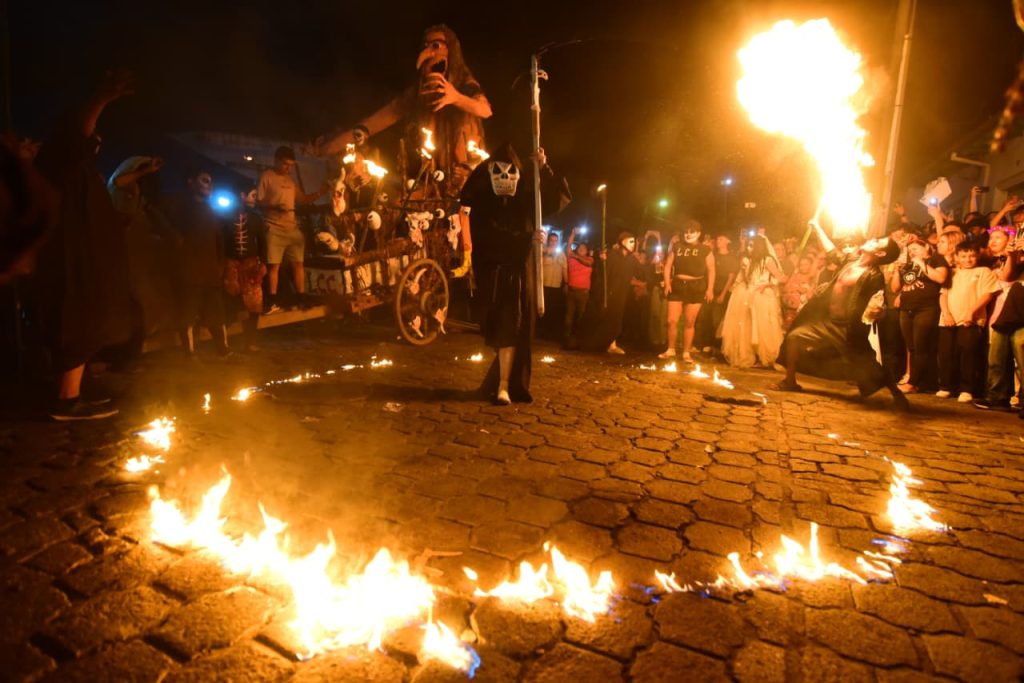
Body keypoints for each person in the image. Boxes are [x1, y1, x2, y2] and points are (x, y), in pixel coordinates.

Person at [34, 70, 134, 420]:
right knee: (75, 319)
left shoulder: (75, 169)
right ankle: (66, 400)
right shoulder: (61, 163)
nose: (93, 145)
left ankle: (75, 390)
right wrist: (101, 99)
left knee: (88, 317)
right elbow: (78, 134)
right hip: (69, 259)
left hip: (82, 256)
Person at [316, 25, 491, 198]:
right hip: (434, 176)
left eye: (436, 46)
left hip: (464, 173)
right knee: (403, 203)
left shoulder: (463, 82)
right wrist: (340, 142)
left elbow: (485, 109)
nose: (429, 52)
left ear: (451, 51)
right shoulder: (418, 92)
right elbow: (389, 113)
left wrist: (456, 97)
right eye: (425, 46)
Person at [460, 144, 569, 404]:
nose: (505, 177)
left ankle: (506, 384)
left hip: (523, 274)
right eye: (497, 171)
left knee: (517, 331)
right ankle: (503, 384)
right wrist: (525, 238)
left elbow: (556, 200)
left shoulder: (525, 201)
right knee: (505, 329)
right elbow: (487, 235)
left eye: (511, 171)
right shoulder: (486, 205)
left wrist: (544, 167)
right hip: (499, 275)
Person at [772, 221, 907, 410]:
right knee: (794, 337)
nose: (872, 240)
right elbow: (832, 252)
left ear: (880, 254)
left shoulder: (873, 276)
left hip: (848, 327)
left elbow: (878, 299)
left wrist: (880, 311)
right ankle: (790, 381)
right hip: (824, 320)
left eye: (877, 242)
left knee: (868, 362)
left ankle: (896, 392)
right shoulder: (851, 259)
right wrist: (817, 227)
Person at [164, 168, 230, 356]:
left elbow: (219, 239)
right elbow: (156, 214)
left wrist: (220, 264)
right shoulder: (178, 204)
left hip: (210, 271)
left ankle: (223, 350)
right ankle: (190, 355)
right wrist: (175, 236)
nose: (209, 185)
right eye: (204, 180)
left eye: (210, 181)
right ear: (190, 182)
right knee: (188, 314)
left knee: (216, 313)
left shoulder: (210, 209)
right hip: (189, 271)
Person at [256, 145, 327, 312]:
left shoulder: (290, 180)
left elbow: (302, 199)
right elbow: (259, 202)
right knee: (274, 266)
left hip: (291, 228)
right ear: (276, 161)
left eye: (291, 165)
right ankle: (273, 300)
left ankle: (301, 297)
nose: (288, 168)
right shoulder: (267, 176)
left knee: (298, 263)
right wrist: (274, 206)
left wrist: (320, 192)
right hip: (274, 228)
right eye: (285, 164)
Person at [936, 242, 1001, 402]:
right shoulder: (951, 273)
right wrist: (946, 314)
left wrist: (971, 312)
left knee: (968, 355)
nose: (968, 259)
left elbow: (988, 295)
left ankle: (967, 388)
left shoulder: (984, 271)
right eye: (964, 256)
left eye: (971, 256)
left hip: (971, 320)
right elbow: (943, 294)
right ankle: (946, 386)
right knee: (946, 354)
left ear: (977, 256)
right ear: (957, 257)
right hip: (948, 319)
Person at [889, 235, 947, 394]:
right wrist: (896, 270)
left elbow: (941, 278)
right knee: (911, 346)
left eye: (915, 248)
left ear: (926, 247)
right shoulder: (907, 265)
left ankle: (914, 383)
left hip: (927, 308)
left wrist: (921, 263)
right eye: (910, 250)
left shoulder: (936, 260)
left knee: (922, 345)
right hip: (907, 308)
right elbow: (895, 288)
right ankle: (913, 381)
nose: (912, 252)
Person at [720, 234, 786, 368]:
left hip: (762, 296)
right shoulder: (747, 260)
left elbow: (782, 278)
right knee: (747, 327)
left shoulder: (767, 260)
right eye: (749, 245)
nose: (749, 248)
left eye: (752, 245)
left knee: (763, 327)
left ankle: (767, 358)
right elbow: (743, 278)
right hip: (748, 295)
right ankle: (750, 357)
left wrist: (767, 284)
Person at [975, 237, 1024, 412]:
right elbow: (1006, 278)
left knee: (1022, 352)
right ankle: (997, 397)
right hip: (1013, 307)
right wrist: (1012, 255)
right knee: (997, 355)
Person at [660, 220, 714, 362]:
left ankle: (686, 352)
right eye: (686, 232)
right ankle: (670, 349)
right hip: (677, 285)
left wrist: (710, 289)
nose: (688, 235)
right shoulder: (677, 247)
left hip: (696, 286)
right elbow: (667, 266)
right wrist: (667, 283)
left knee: (690, 322)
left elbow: (711, 269)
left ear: (698, 234)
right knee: (672, 321)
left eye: (692, 232)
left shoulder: (705, 249)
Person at [223, 184, 267, 351]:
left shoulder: (256, 219)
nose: (255, 199)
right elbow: (222, 241)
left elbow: (263, 242)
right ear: (242, 195)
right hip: (231, 263)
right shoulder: (226, 217)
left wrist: (263, 263)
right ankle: (225, 343)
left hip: (250, 265)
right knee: (230, 299)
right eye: (252, 196)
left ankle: (250, 341)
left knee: (254, 303)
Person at [589, 231, 645, 355]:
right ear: (623, 241)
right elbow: (601, 273)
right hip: (608, 292)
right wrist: (601, 260)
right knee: (605, 318)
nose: (633, 244)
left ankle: (611, 345)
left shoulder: (632, 259)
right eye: (631, 242)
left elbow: (641, 273)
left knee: (616, 319)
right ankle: (600, 344)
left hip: (622, 294)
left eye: (634, 242)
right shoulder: (611, 254)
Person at [695, 233, 739, 353]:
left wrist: (723, 294)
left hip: (721, 291)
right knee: (705, 317)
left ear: (727, 242)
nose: (718, 241)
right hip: (710, 290)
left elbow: (731, 277)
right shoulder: (713, 255)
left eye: (721, 239)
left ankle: (716, 346)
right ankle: (704, 344)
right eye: (717, 239)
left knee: (717, 320)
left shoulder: (732, 258)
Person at [564, 227, 593, 344]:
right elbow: (568, 246)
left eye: (584, 248)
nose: (581, 249)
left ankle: (579, 340)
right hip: (571, 292)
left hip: (583, 293)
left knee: (581, 317)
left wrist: (574, 256)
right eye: (580, 247)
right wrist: (573, 234)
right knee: (568, 318)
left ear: (587, 251)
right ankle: (566, 339)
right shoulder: (570, 258)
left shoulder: (589, 259)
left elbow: (587, 263)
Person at [540, 231, 567, 339]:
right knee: (543, 309)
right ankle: (540, 331)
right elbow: (538, 265)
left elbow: (565, 269)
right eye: (551, 240)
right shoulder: (542, 251)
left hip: (556, 286)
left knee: (553, 310)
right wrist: (545, 254)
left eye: (556, 241)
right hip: (544, 285)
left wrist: (566, 283)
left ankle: (549, 333)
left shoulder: (561, 254)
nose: (553, 242)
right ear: (548, 241)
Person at [782, 254, 816, 329]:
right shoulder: (795, 275)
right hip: (793, 307)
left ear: (811, 265)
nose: (803, 267)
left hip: (806, 309)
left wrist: (807, 290)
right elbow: (786, 288)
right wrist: (797, 288)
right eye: (801, 265)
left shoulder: (813, 277)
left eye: (806, 264)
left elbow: (813, 292)